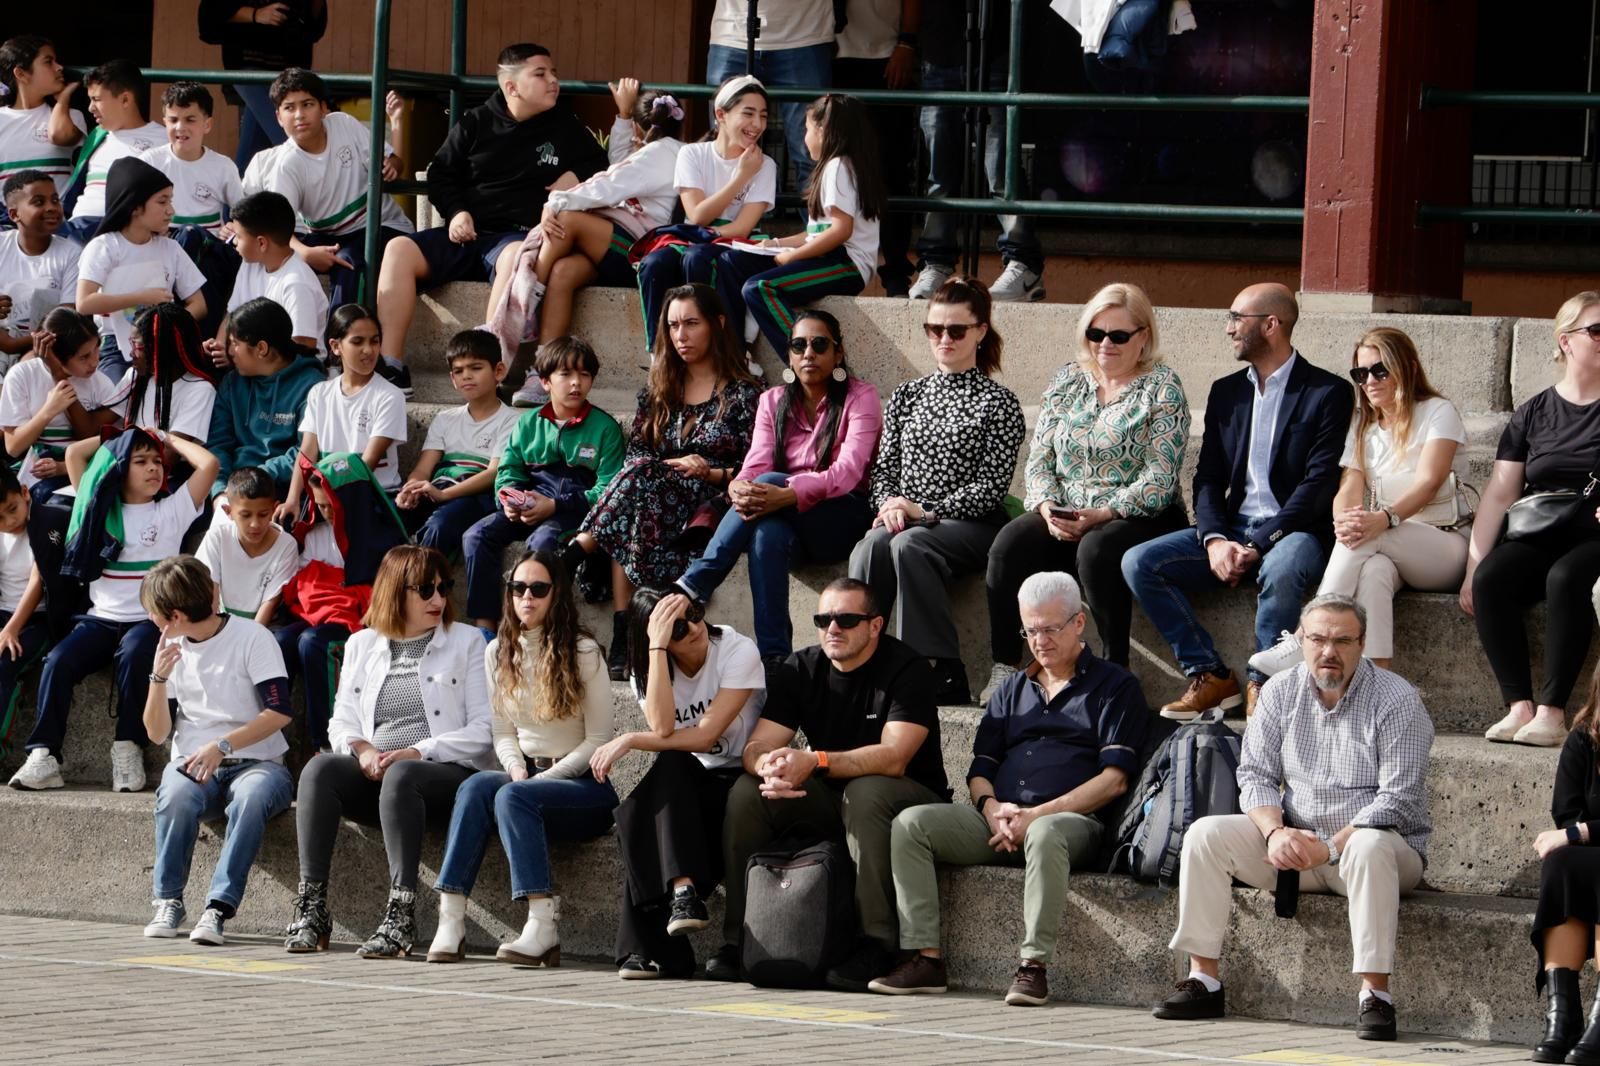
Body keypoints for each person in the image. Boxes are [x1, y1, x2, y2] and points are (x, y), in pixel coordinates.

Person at [1152, 594, 1433, 1043]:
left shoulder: (1397, 700)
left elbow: (1395, 799)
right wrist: (1274, 830)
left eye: (1343, 640)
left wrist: (1330, 846)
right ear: (1301, 641)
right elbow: (1256, 775)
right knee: (1206, 834)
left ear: (1362, 643)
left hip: (1379, 854)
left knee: (1370, 843)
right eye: (1318, 638)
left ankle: (1375, 995)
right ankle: (1203, 978)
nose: (1329, 651)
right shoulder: (1279, 691)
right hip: (1298, 843)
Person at [869, 572, 1147, 1004]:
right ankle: (926, 959)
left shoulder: (1115, 686)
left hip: (1073, 824)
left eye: (1051, 628)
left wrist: (1036, 815)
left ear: (1079, 623)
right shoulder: (1011, 689)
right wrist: (992, 809)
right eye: (1030, 630)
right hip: (1001, 820)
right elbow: (980, 768)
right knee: (911, 824)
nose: (1040, 641)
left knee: (1046, 832)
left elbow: (1114, 781)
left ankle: (1032, 966)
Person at [1121, 284, 1351, 720]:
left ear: (1271, 324)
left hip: (1296, 531)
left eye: (1236, 318)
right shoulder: (1227, 391)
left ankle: (1265, 688)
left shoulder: (1328, 392)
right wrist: (1213, 540)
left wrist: (1259, 543)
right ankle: (1210, 673)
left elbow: (1318, 485)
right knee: (1139, 562)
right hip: (1231, 528)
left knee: (1283, 568)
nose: (1228, 329)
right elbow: (1206, 477)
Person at [709, 577, 949, 988]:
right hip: (833, 799)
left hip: (907, 798)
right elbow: (757, 745)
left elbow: (894, 758)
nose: (832, 629)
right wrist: (769, 764)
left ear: (875, 625)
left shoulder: (908, 669)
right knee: (749, 792)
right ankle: (741, 939)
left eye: (846, 619)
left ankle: (876, 943)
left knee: (866, 789)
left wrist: (814, 760)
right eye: (823, 619)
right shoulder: (800, 668)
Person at [283, 545, 493, 957]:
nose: (439, 599)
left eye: (444, 587)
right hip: (381, 775)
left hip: (443, 776)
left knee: (402, 774)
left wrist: (418, 750)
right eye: (426, 590)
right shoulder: (362, 643)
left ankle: (401, 913)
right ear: (396, 592)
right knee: (319, 770)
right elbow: (340, 721)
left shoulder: (468, 642)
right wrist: (362, 750)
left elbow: (483, 732)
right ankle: (312, 907)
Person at [986, 282, 1189, 695]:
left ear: (1143, 336)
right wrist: (1046, 507)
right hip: (1065, 511)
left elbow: (1160, 477)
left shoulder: (1163, 387)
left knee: (1097, 548)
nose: (1105, 345)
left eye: (1118, 335)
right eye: (1096, 334)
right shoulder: (1068, 379)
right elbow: (1040, 458)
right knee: (1010, 543)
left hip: (1137, 514)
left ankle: (1115, 670)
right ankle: (1006, 664)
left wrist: (1104, 512)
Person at [376, 43, 607, 397]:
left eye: (554, 73)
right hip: (466, 233)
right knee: (397, 249)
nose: (553, 81)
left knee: (516, 257)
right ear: (511, 87)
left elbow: (601, 166)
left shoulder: (564, 125)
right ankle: (391, 367)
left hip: (514, 240)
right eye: (541, 74)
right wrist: (456, 212)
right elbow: (441, 173)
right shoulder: (476, 122)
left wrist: (575, 176)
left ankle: (490, 372)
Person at [426, 550, 616, 966]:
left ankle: (542, 924)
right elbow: (502, 732)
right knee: (477, 785)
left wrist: (539, 783)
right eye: (518, 588)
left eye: (538, 589)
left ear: (557, 595)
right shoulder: (497, 651)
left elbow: (599, 739)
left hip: (584, 785)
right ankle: (451, 917)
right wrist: (515, 770)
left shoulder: (583, 651)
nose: (526, 597)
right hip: (527, 778)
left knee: (513, 798)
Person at [848, 275, 1025, 705]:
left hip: (974, 524)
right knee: (870, 547)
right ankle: (858, 662)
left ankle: (937, 669)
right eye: (935, 329)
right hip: (909, 518)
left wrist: (923, 510)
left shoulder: (998, 402)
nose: (944, 338)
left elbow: (991, 487)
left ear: (980, 332)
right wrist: (891, 503)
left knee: (910, 546)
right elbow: (884, 468)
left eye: (956, 330)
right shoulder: (908, 395)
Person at [1250, 328, 1467, 678]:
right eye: (1360, 374)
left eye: (1380, 370)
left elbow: (1429, 482)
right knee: (1373, 571)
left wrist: (1384, 518)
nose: (1370, 381)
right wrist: (1344, 522)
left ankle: (1307, 634)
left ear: (1408, 369)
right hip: (1390, 545)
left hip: (1445, 543)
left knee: (1369, 536)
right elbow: (1348, 489)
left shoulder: (1437, 412)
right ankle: (1375, 679)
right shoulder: (1364, 427)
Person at [568, 284, 760, 678]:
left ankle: (576, 556)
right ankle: (627, 628)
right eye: (673, 325)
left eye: (691, 323)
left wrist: (708, 470)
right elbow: (638, 452)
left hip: (710, 500)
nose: (681, 336)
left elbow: (752, 465)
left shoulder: (745, 394)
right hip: (650, 495)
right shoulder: (658, 391)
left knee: (638, 486)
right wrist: (671, 465)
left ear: (717, 324)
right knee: (641, 484)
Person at [12, 427, 217, 793]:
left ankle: (128, 746)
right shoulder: (93, 506)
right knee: (58, 661)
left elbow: (210, 464)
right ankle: (43, 754)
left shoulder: (172, 510)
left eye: (157, 462)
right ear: (119, 467)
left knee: (139, 652)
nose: (153, 468)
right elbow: (75, 453)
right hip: (99, 619)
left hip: (149, 621)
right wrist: (121, 434)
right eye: (141, 461)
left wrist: (166, 439)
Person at [676, 309, 880, 661]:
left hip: (841, 518)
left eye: (819, 345)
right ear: (788, 355)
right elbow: (755, 464)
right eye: (799, 346)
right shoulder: (772, 401)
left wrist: (787, 493)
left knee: (769, 483)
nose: (808, 354)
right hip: (785, 523)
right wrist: (740, 486)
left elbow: (847, 473)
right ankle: (774, 658)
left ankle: (698, 580)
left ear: (838, 353)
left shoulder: (861, 397)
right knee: (766, 533)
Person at [590, 587, 765, 978]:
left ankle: (651, 945)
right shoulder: (650, 669)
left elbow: (704, 737)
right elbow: (665, 728)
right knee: (661, 777)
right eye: (679, 627)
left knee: (640, 805)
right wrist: (656, 650)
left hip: (742, 778)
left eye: (696, 612)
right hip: (689, 783)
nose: (696, 628)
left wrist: (631, 739)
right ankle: (682, 895)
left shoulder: (736, 651)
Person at [496, 76, 685, 406]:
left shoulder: (660, 155)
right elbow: (620, 162)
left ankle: (528, 300)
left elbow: (609, 183)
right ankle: (545, 368)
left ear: (641, 131)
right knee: (564, 272)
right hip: (615, 243)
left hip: (639, 249)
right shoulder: (659, 151)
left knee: (566, 219)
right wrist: (624, 116)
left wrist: (555, 202)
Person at [1465, 292, 1600, 749]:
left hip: (1595, 534)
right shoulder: (1535, 411)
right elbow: (1501, 490)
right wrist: (1473, 564)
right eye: (1596, 330)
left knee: (1565, 579)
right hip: (1542, 530)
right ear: (1566, 341)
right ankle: (1518, 706)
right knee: (1491, 580)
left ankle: (1552, 712)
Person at [138, 555, 294, 944]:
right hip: (194, 765)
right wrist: (158, 678)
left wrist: (223, 746)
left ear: (174, 614)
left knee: (253, 796)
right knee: (174, 793)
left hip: (259, 763)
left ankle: (217, 908)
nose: (152, 621)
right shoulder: (170, 648)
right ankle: (168, 901)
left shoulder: (253, 638)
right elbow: (157, 734)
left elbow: (279, 712)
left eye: (154, 614)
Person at [462, 336, 625, 630]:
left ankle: (540, 627)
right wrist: (509, 502)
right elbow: (508, 470)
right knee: (475, 535)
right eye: (566, 374)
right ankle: (484, 628)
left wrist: (555, 505)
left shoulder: (605, 428)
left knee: (542, 543)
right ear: (546, 381)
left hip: (573, 512)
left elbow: (608, 490)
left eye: (584, 375)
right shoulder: (528, 423)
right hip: (529, 504)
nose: (576, 383)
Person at [704, 92, 884, 357]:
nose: (804, 137)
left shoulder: (839, 166)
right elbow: (815, 234)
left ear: (823, 130)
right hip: (825, 256)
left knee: (760, 288)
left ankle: (810, 364)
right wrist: (775, 245)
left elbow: (840, 231)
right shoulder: (833, 167)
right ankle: (737, 354)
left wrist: (793, 257)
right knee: (732, 262)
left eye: (807, 128)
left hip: (845, 265)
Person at [240, 69, 411, 329]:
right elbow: (278, 227)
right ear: (278, 117)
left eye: (307, 104)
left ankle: (340, 347)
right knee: (278, 263)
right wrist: (306, 253)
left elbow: (395, 161)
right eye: (289, 108)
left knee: (351, 263)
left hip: (379, 225)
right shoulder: (285, 164)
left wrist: (393, 165)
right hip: (326, 235)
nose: (299, 115)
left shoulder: (344, 124)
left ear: (323, 108)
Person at [907, 2, 1044, 304]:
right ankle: (936, 263)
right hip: (940, 50)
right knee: (939, 172)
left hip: (995, 47)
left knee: (1000, 168)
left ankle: (1023, 263)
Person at [634, 77, 777, 356]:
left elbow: (743, 226)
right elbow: (697, 214)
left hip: (733, 242)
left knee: (697, 257)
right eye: (748, 113)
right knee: (653, 264)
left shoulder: (765, 164)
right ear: (721, 114)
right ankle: (659, 355)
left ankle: (718, 350)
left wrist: (746, 174)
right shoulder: (692, 154)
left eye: (763, 116)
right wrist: (740, 179)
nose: (757, 124)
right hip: (692, 237)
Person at [75, 156, 207, 379]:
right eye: (162, 201)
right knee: (118, 401)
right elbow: (84, 303)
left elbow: (199, 304)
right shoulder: (105, 247)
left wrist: (168, 328)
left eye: (170, 201)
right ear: (135, 207)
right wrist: (141, 297)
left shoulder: (170, 248)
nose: (171, 210)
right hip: (116, 346)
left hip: (164, 345)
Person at [395, 328, 518, 560]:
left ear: (498, 371)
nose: (466, 376)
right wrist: (410, 489)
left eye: (476, 368)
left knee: (439, 526)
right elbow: (423, 469)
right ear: (452, 379)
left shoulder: (512, 421)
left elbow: (493, 473)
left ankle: (425, 586)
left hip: (477, 497)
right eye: (458, 371)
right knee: (389, 516)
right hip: (437, 490)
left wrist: (445, 495)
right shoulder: (446, 419)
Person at [1529, 666, 1600, 1064]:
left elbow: (1574, 829)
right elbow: (1565, 813)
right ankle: (1564, 1014)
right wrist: (1578, 835)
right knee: (1561, 863)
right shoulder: (1583, 738)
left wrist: (1581, 834)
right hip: (1591, 857)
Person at [282, 304, 406, 512]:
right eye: (357, 341)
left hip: (374, 497)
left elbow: (366, 465)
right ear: (335, 346)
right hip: (326, 495)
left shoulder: (390, 396)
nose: (369, 350)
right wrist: (293, 500)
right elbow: (307, 452)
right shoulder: (319, 393)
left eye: (374, 341)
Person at [832, 0, 917, 296]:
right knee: (833, 169)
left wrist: (906, 43)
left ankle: (896, 274)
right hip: (820, 51)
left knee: (890, 169)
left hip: (883, 54)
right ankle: (830, 265)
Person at [205, 295, 324, 504]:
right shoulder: (232, 383)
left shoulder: (313, 386)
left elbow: (305, 450)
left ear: (261, 348)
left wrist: (252, 480)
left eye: (234, 343)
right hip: (231, 489)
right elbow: (218, 443)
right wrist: (220, 492)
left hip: (281, 493)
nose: (229, 351)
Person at [705, 0, 833, 191]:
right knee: (725, 149)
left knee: (810, 152)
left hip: (805, 34)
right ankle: (722, 221)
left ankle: (821, 221)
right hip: (732, 33)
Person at [0, 305, 120, 499]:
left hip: (84, 465)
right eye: (84, 357)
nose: (95, 362)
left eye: (97, 349)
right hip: (37, 473)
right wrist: (49, 410)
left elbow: (101, 438)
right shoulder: (22, 375)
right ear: (56, 354)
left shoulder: (100, 382)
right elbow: (13, 446)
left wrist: (64, 468)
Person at [196, 0, 328, 171]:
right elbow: (208, 19)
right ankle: (316, 174)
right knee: (288, 140)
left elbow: (313, 30)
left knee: (256, 152)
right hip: (248, 69)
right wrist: (255, 14)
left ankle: (239, 192)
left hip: (288, 74)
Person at [62, 61, 166, 244]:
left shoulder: (164, 139)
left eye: (97, 99)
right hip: (76, 230)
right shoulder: (97, 136)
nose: (90, 108)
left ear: (125, 99)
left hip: (125, 233)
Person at [222, 190, 327, 356]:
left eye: (239, 237)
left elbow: (303, 346)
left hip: (290, 376)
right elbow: (231, 316)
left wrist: (242, 356)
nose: (234, 242)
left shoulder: (296, 283)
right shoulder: (250, 265)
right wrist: (222, 348)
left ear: (261, 243)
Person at [137, 82, 244, 240]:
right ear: (165, 122)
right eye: (173, 120)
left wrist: (234, 227)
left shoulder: (223, 166)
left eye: (190, 120)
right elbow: (135, 211)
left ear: (207, 125)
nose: (180, 127)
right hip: (161, 247)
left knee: (190, 235)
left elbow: (243, 216)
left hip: (207, 249)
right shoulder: (150, 162)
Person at [195, 466, 300, 623]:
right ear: (228, 511)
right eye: (246, 515)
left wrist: (247, 642)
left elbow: (270, 604)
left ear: (274, 509)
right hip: (222, 624)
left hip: (267, 629)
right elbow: (211, 596)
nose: (255, 524)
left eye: (263, 515)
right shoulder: (217, 536)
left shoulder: (286, 545)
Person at [0, 468, 48, 785]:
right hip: (3, 614)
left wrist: (11, 628)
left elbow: (37, 582)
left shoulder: (44, 527)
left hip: (37, 620)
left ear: (25, 493)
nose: (9, 522)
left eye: (12, 509)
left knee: (4, 662)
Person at [0, 171, 81, 358]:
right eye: (38, 202)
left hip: (47, 349)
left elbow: (65, 322)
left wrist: (12, 345)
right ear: (14, 214)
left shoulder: (71, 254)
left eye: (55, 200)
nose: (52, 207)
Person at [118, 302, 219, 443]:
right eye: (131, 343)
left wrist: (115, 441)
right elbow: (92, 426)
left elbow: (169, 456)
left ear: (163, 349)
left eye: (137, 346)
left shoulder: (200, 390)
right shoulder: (135, 376)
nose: (131, 353)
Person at [0, 35, 86, 198]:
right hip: (6, 221)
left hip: (58, 221)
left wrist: (63, 99)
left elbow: (61, 136)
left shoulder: (71, 116)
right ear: (21, 73)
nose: (59, 67)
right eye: (48, 62)